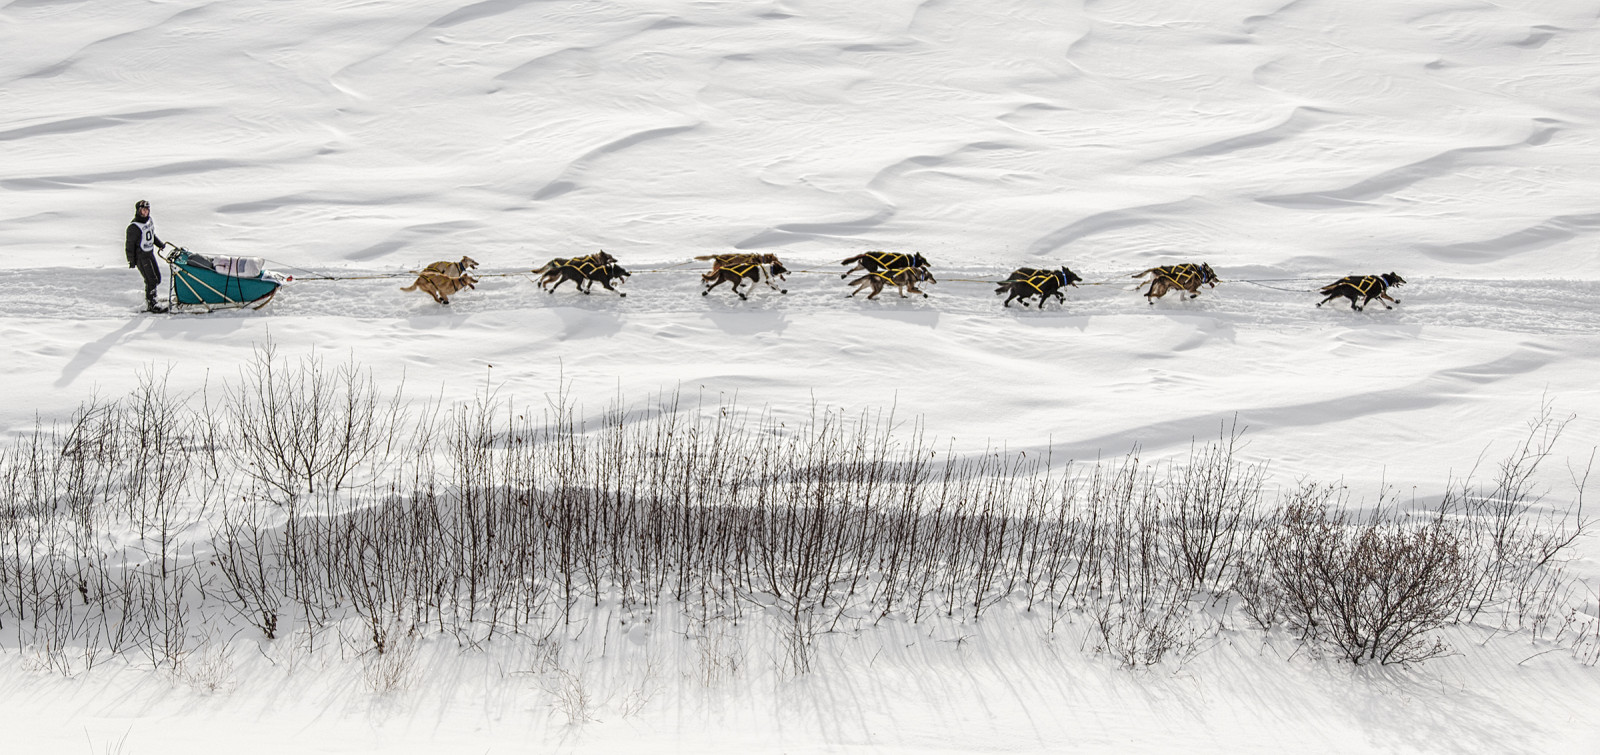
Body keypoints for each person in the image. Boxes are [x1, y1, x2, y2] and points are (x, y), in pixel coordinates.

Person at [125, 199, 169, 312]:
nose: (145, 212)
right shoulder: (134, 227)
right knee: (151, 280)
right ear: (138, 211)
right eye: (143, 210)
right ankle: (152, 304)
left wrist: (159, 244)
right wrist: (131, 261)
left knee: (157, 278)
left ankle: (154, 297)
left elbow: (151, 235)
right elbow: (129, 246)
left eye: (147, 210)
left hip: (150, 254)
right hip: (141, 257)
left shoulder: (148, 221)